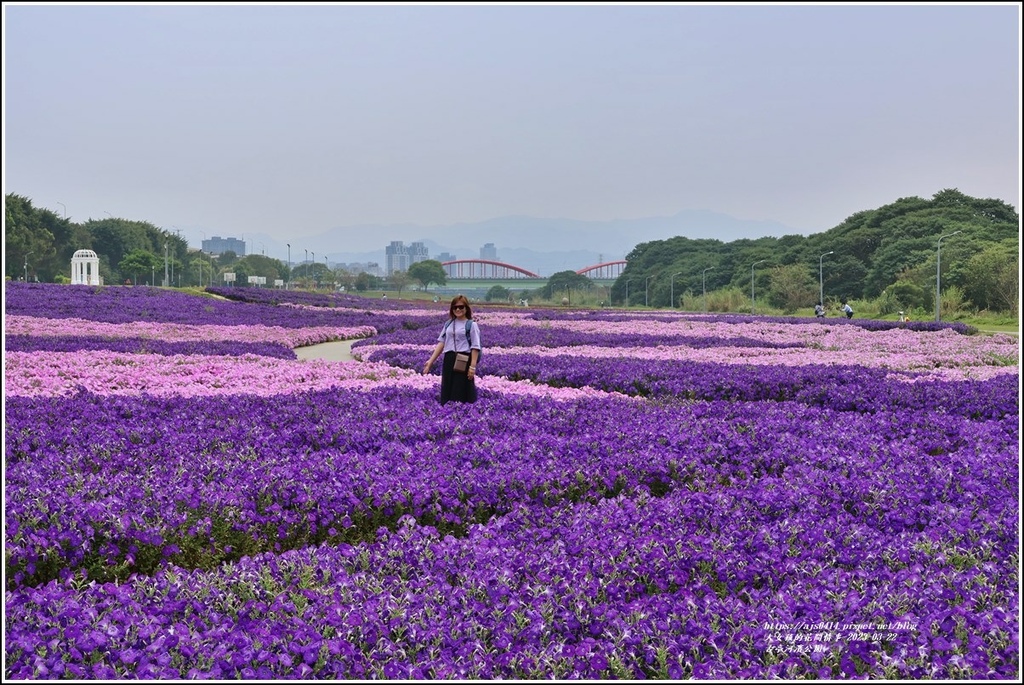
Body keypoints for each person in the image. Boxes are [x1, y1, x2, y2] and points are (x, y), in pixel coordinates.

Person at [422, 295, 481, 404]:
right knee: (447, 386)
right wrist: (430, 361)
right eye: (455, 307)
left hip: (463, 359)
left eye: (461, 307)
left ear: (466, 308)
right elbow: (442, 343)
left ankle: (461, 412)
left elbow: (475, 347)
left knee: (460, 388)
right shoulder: (448, 324)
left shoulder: (472, 325)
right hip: (449, 358)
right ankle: (447, 411)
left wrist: (472, 367)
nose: (458, 309)